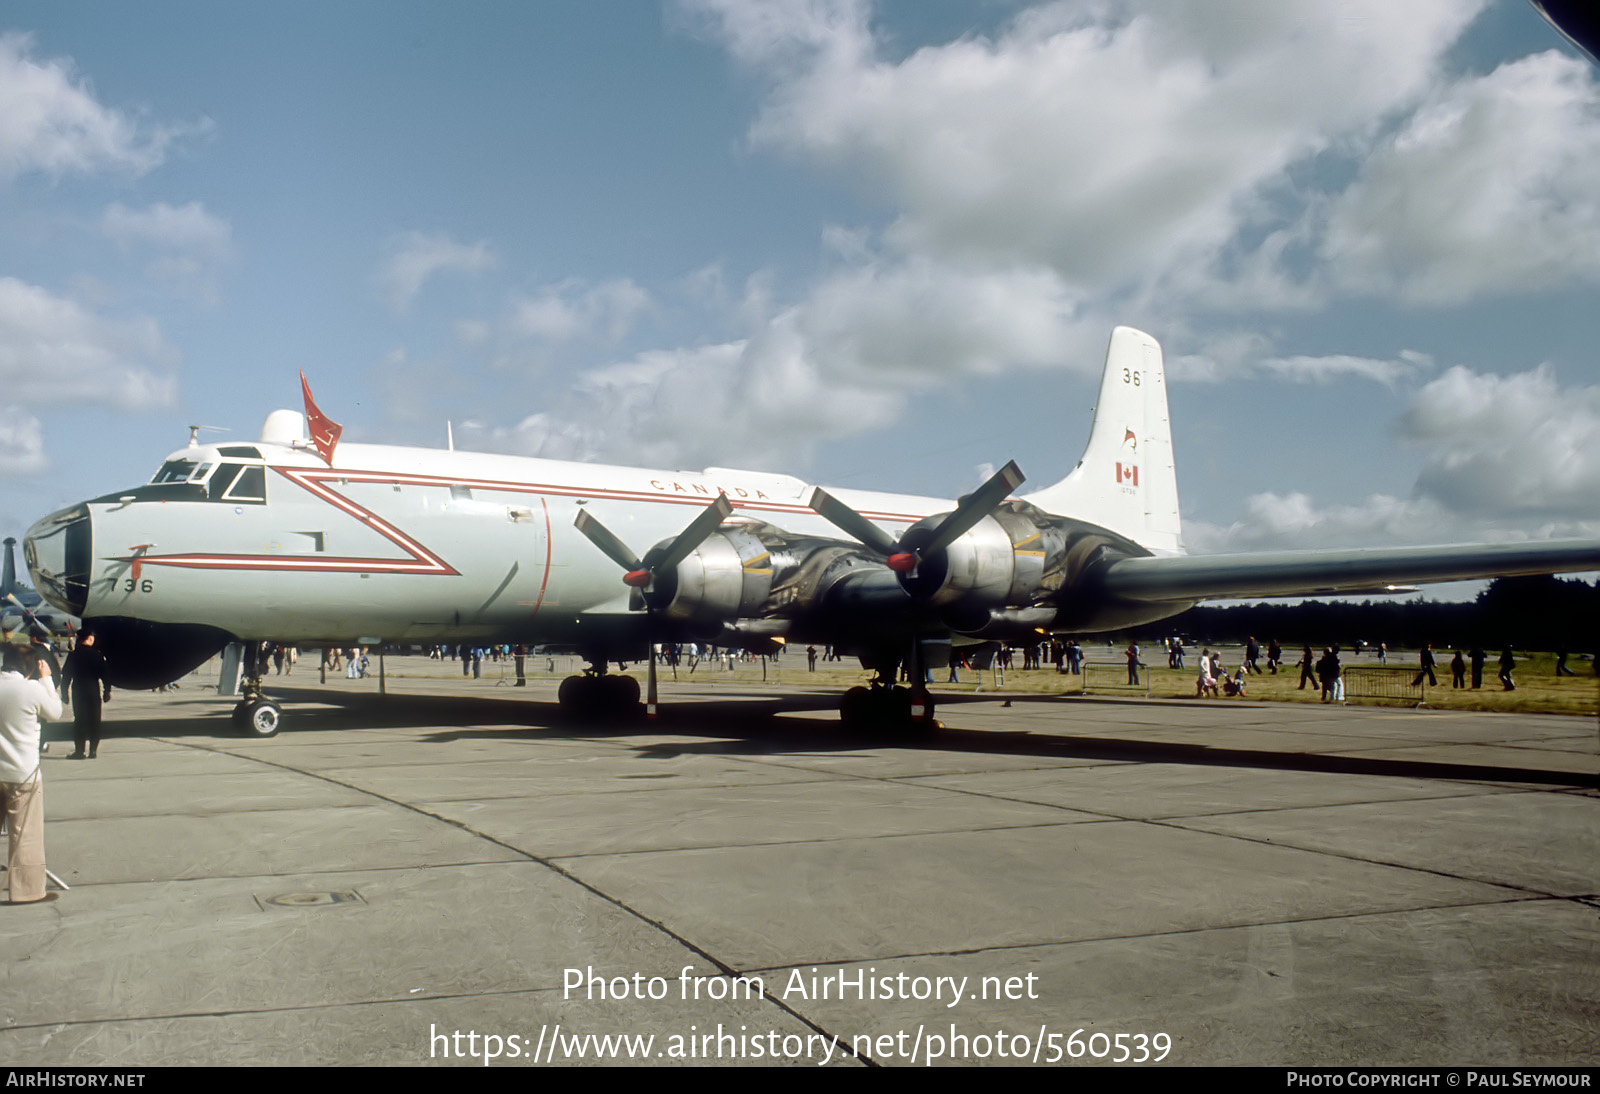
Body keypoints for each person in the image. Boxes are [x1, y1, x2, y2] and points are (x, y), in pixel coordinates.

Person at [1, 642, 64, 903]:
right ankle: (26, 891)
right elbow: (55, 712)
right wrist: (47, 680)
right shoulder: (31, 689)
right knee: (24, 835)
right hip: (22, 772)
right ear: (32, 667)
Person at [60, 631, 111, 759]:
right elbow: (105, 676)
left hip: (78, 691)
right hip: (93, 690)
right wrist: (107, 692)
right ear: (89, 639)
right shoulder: (97, 655)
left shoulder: (73, 656)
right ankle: (93, 751)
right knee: (94, 720)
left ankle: (79, 751)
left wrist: (64, 693)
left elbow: (66, 676)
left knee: (79, 721)